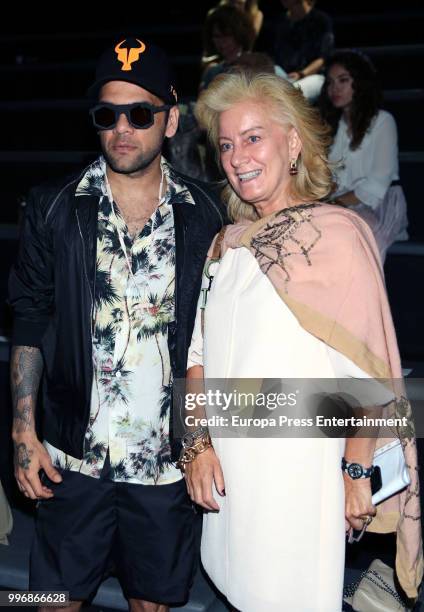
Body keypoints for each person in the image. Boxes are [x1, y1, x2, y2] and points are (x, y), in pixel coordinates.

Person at [180, 71, 422, 611]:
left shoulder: (336, 234)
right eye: (225, 144)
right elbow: (197, 360)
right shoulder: (225, 244)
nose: (237, 155)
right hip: (230, 487)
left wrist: (356, 473)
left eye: (253, 137)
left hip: (300, 484)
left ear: (292, 142)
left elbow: (367, 377)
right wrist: (196, 446)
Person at [8, 37, 225, 611]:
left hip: (163, 469)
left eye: (140, 113)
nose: (122, 128)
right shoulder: (51, 206)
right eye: (108, 114)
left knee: (152, 604)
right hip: (72, 460)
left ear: (171, 120)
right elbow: (29, 321)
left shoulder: (207, 217)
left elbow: (213, 343)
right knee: (51, 599)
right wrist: (23, 432)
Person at [319, 50, 408, 261]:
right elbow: (331, 176)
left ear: (360, 83)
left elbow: (377, 183)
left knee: (353, 239)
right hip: (341, 203)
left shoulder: (383, 121)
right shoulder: (332, 126)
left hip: (380, 204)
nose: (335, 88)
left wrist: (335, 203)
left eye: (343, 80)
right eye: (330, 82)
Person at [269, 0, 334, 101]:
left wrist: (301, 74)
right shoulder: (280, 22)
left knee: (293, 94)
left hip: (313, 76)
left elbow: (323, 58)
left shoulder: (321, 20)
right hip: (284, 76)